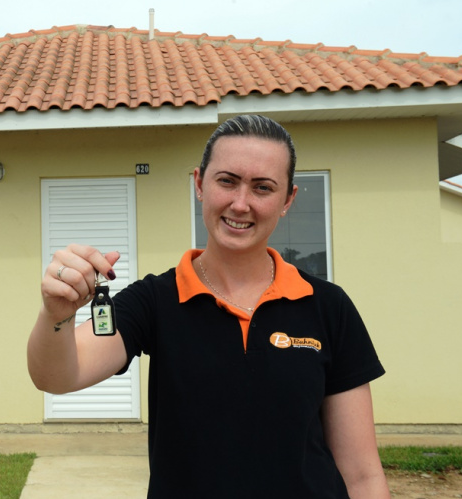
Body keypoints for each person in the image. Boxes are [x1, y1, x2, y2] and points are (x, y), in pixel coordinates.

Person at [27, 114, 390, 498]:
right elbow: (58, 377)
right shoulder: (155, 301)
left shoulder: (328, 307)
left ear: (287, 200)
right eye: (227, 181)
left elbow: (362, 475)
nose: (240, 203)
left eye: (263, 188)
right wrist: (56, 316)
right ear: (200, 184)